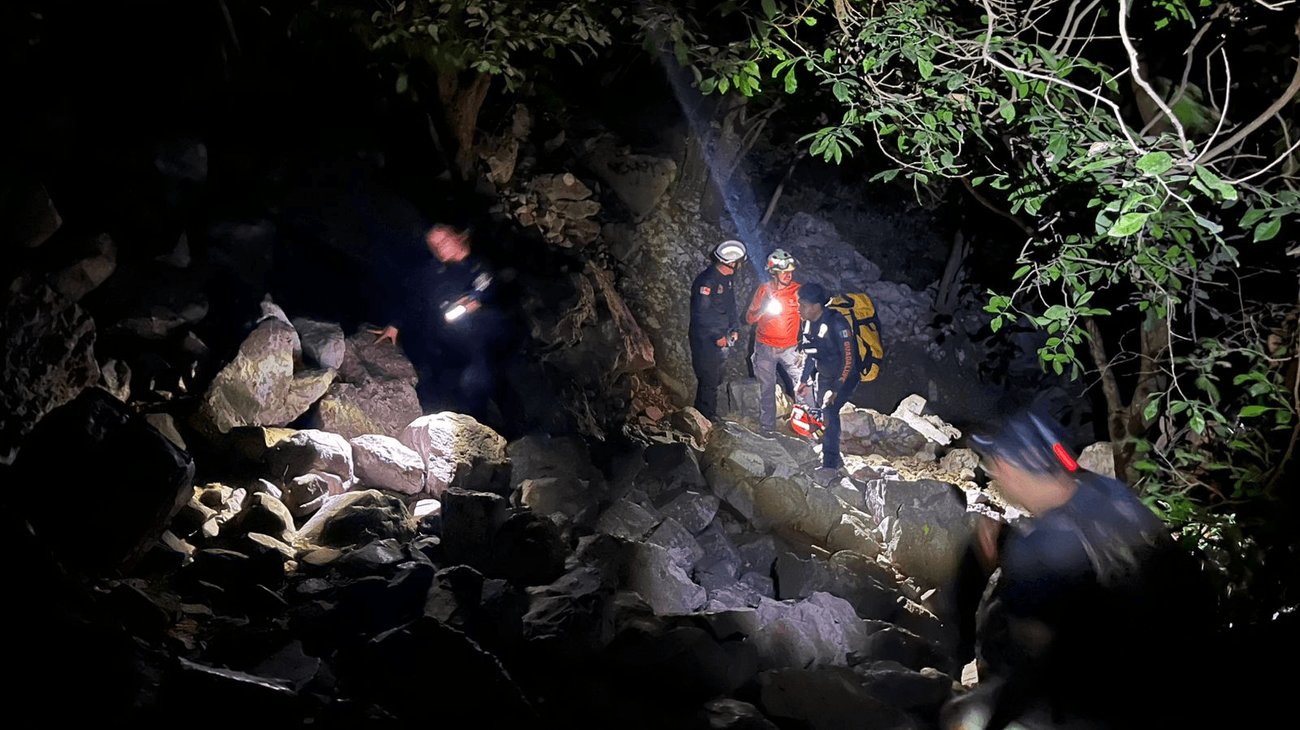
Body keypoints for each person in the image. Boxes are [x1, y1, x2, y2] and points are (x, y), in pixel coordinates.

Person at [941, 409, 1217, 730]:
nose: (995, 477)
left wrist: (996, 717)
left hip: (1113, 705)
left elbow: (1032, 665)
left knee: (961, 718)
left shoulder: (1040, 549)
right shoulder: (1111, 494)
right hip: (1185, 680)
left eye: (994, 468)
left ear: (1008, 469)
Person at [371, 218, 521, 430]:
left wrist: (475, 299)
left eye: (443, 241)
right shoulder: (433, 272)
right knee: (454, 387)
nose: (439, 248)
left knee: (483, 382)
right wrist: (395, 324)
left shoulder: (480, 264)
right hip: (450, 345)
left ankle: (513, 432)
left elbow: (491, 287)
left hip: (488, 343)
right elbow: (414, 299)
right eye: (434, 245)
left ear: (458, 236)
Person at [795, 282, 858, 475]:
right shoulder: (807, 323)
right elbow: (811, 353)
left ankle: (830, 464)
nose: (799, 308)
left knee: (829, 412)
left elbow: (849, 359)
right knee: (822, 415)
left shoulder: (837, 323)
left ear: (816, 306)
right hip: (824, 375)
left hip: (845, 376)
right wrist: (804, 380)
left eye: (803, 305)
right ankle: (833, 456)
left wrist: (837, 388)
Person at [745, 248, 803, 438]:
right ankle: (767, 429)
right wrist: (762, 308)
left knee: (803, 384)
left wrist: (806, 347)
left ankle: (806, 425)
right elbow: (749, 319)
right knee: (767, 388)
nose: (788, 275)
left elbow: (812, 318)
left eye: (791, 271)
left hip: (790, 348)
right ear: (774, 272)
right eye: (784, 272)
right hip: (764, 347)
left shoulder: (798, 291)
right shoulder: (764, 290)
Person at [689, 239, 747, 419]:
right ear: (730, 262)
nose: (739, 266)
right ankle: (706, 418)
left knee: (717, 377)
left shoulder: (727, 279)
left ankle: (704, 416)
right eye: (737, 262)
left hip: (722, 338)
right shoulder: (707, 281)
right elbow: (701, 314)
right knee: (709, 380)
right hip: (706, 339)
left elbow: (731, 306)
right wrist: (716, 337)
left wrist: (734, 328)